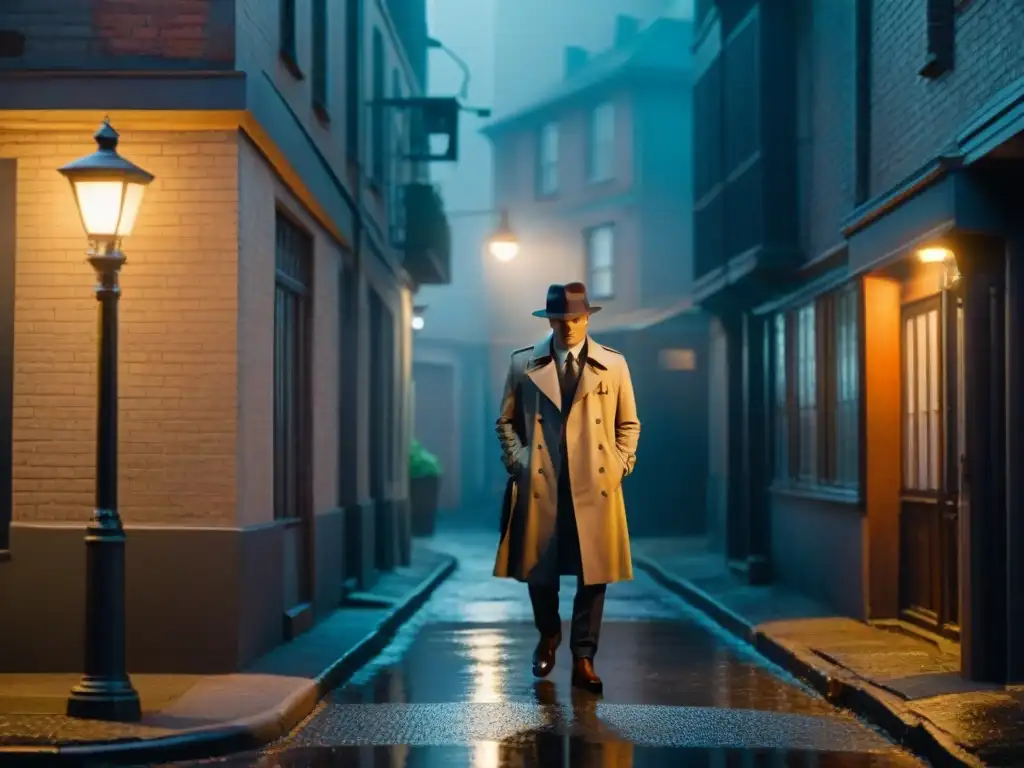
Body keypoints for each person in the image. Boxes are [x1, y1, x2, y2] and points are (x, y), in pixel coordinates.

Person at [493, 281, 640, 694]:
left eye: (576, 318)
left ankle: (584, 658)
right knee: (540, 572)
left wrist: (618, 464)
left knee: (594, 577)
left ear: (587, 318)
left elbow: (628, 423)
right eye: (560, 318)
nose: (569, 326)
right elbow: (505, 421)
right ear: (550, 320)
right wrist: (519, 462)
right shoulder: (524, 364)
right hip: (544, 483)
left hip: (595, 485)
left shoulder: (613, 365)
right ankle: (548, 634)